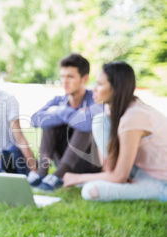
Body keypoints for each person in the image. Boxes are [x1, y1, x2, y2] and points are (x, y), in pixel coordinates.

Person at [63, 61, 167, 201]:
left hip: (161, 181)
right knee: (100, 121)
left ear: (116, 88)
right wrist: (111, 175)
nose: (93, 89)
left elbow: (119, 176)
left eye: (99, 84)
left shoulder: (134, 115)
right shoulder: (112, 111)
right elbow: (112, 169)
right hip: (140, 172)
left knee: (90, 191)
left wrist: (76, 178)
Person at [29, 53, 103, 192]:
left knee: (84, 126)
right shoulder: (58, 101)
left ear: (84, 78)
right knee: (49, 124)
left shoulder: (94, 99)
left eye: (70, 77)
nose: (65, 81)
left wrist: (58, 111)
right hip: (63, 158)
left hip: (89, 164)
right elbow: (35, 119)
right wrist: (68, 113)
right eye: (62, 76)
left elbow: (86, 124)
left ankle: (58, 175)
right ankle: (42, 173)